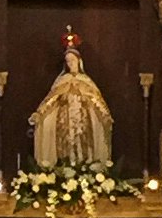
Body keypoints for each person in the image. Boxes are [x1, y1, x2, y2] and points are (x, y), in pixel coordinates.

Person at [28, 29, 114, 169]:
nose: (71, 64)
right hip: (65, 120)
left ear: (79, 61)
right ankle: (65, 168)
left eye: (73, 60)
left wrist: (105, 115)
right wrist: (40, 113)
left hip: (82, 120)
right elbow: (52, 99)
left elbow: (95, 100)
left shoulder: (86, 81)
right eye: (68, 61)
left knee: (84, 143)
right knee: (66, 146)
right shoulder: (62, 81)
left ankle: (85, 167)